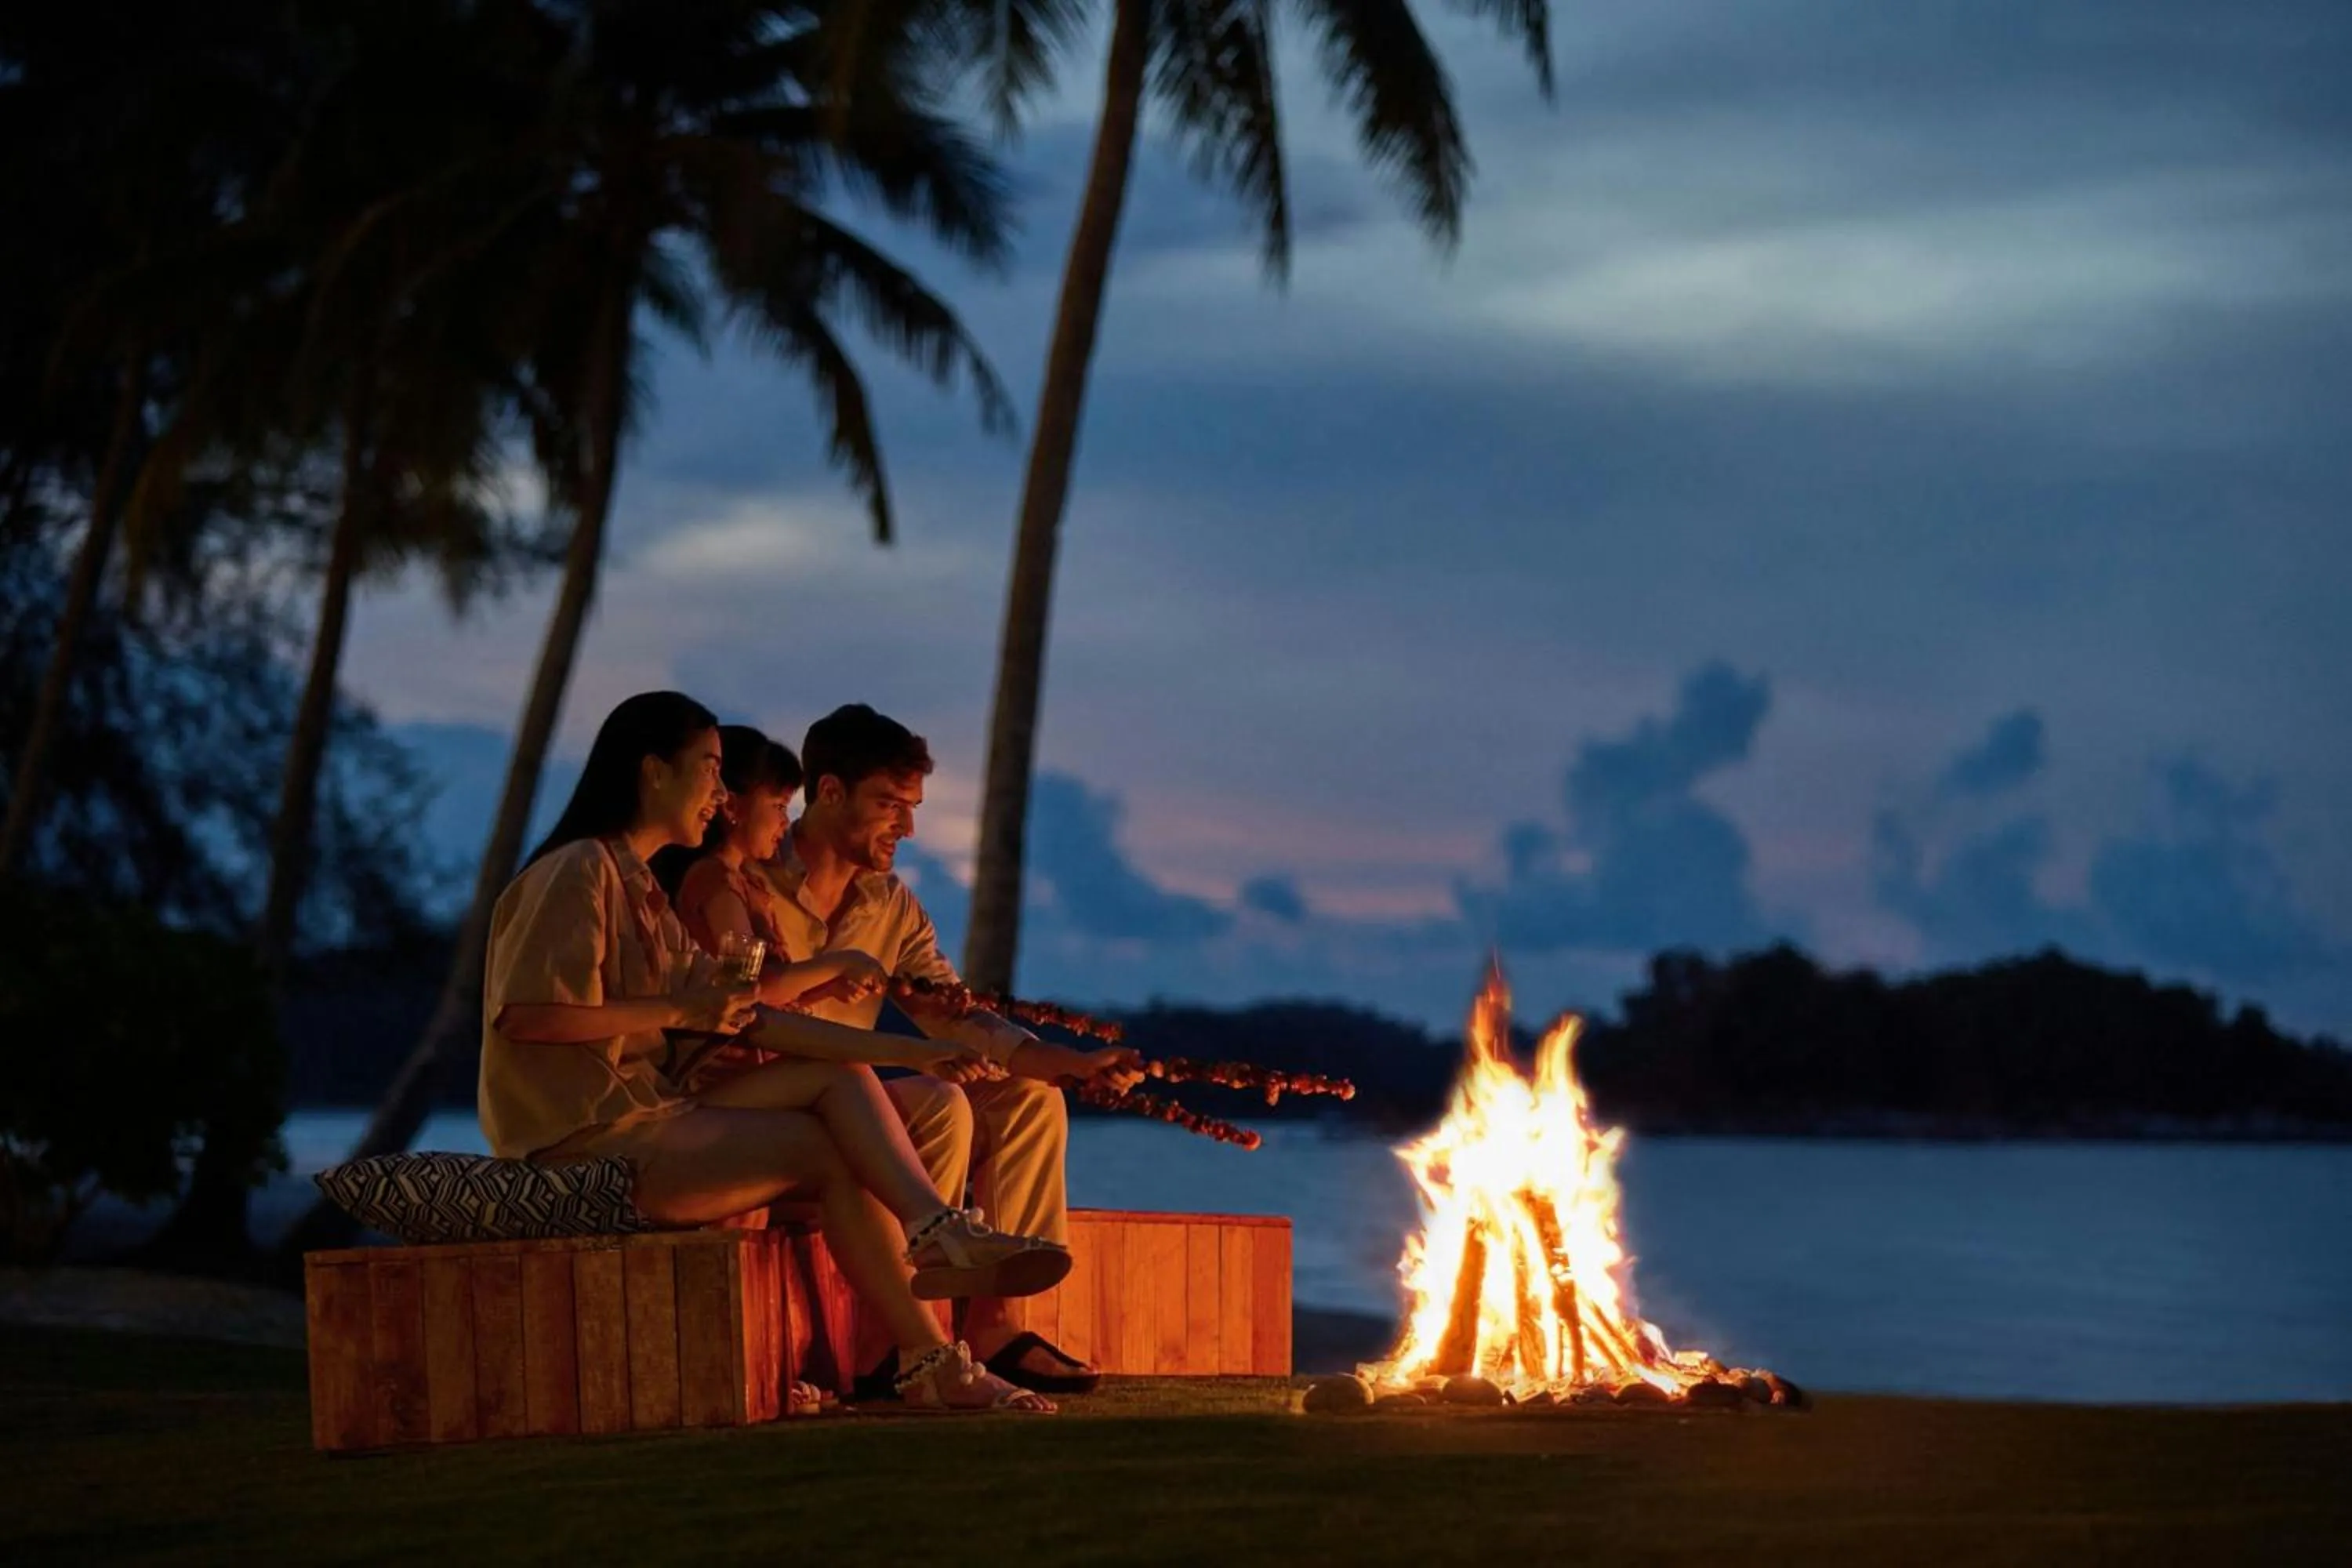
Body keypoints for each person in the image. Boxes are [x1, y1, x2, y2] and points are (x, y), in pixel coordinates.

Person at [477, 691, 1062, 1412]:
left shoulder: (641, 890)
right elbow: (527, 1017)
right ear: (654, 772)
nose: (721, 795)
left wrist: (913, 1050)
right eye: (710, 770)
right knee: (827, 1146)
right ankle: (932, 1335)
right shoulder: (579, 872)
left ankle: (934, 1291)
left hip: (646, 1117)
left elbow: (749, 1016)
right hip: (581, 1142)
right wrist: (679, 1009)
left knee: (841, 1082)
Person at [749, 703, 1144, 1396]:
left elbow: (957, 1018)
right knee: (937, 1102)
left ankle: (994, 1328)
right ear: (830, 791)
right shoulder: (747, 879)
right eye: (889, 805)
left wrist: (1070, 1065)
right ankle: (892, 1350)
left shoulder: (892, 905)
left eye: (914, 807)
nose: (908, 826)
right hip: (768, 1114)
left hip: (856, 1106)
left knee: (1028, 1101)